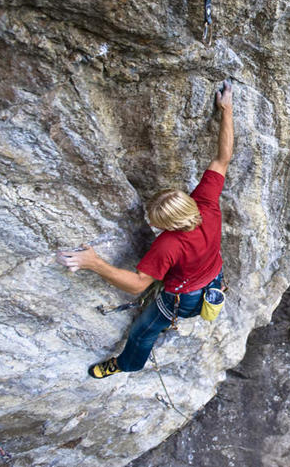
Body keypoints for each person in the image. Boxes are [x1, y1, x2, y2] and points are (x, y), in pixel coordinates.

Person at [60, 80, 234, 379]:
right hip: (213, 277)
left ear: (170, 226)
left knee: (143, 331)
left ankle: (125, 364)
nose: (152, 224)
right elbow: (223, 158)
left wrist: (94, 263)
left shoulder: (168, 245)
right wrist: (227, 110)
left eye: (157, 222)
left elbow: (138, 284)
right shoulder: (206, 203)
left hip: (184, 296)